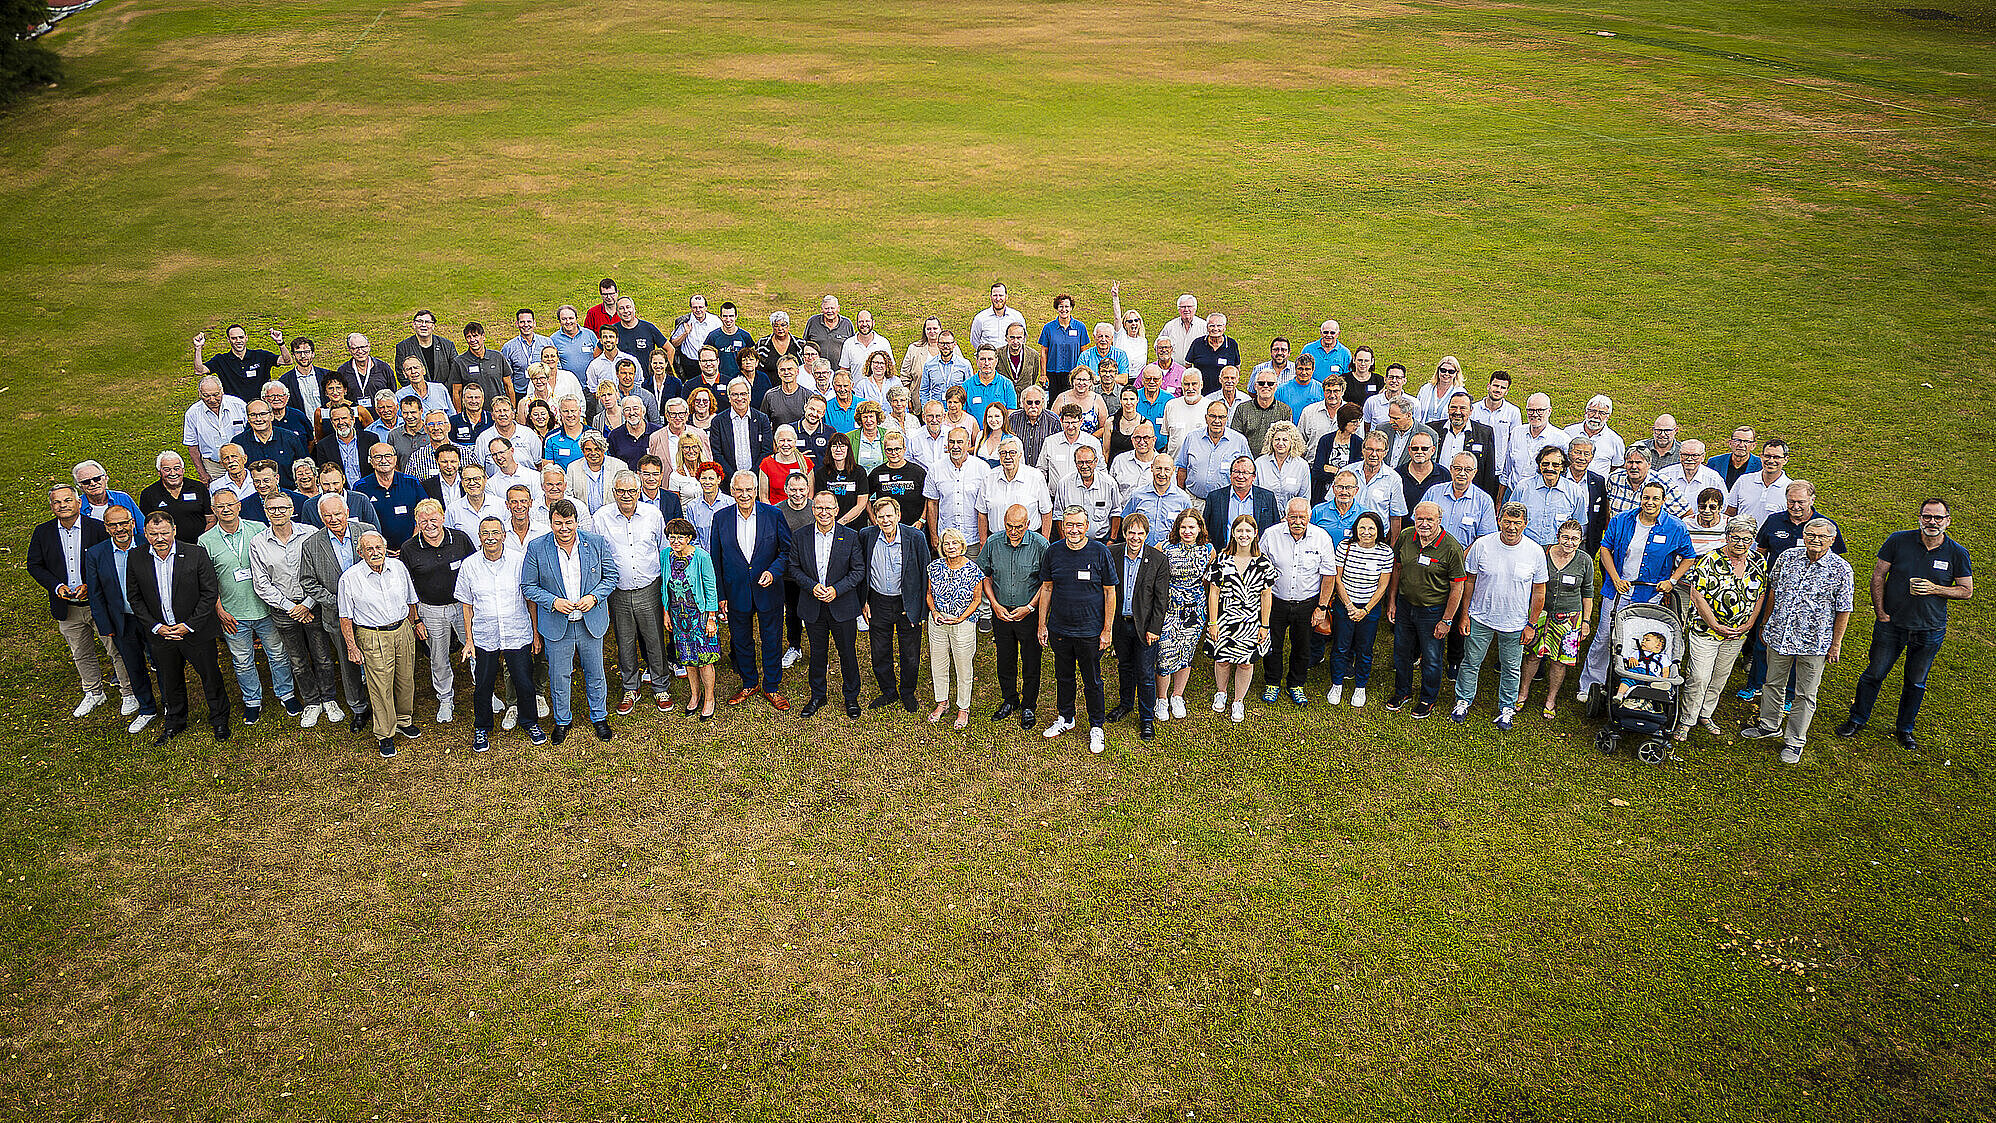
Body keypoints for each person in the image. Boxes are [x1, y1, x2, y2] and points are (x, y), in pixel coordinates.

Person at [1836, 499, 1974, 753]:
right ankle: (1857, 719)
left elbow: (1966, 591)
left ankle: (1905, 729)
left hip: (1930, 629)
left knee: (1915, 682)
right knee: (1874, 674)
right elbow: (1878, 574)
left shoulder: (1957, 553)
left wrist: (1935, 589)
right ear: (1920, 518)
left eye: (1938, 518)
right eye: (1927, 516)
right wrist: (1880, 612)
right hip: (1892, 625)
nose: (1932, 522)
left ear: (1947, 521)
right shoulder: (1898, 540)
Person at [1737, 519, 1852, 762]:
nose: (1815, 540)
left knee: (1805, 693)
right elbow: (1773, 591)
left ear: (1832, 540)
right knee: (1772, 683)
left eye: (1822, 536)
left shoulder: (1841, 570)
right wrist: (1766, 622)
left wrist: (1836, 643)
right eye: (1811, 534)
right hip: (1780, 635)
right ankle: (1769, 725)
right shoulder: (1788, 557)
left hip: (1815, 643)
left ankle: (1794, 740)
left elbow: (1844, 609)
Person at [1579, 481, 1697, 701]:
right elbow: (1605, 549)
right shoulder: (1621, 520)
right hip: (1617, 592)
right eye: (1646, 497)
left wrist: (1672, 580)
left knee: (1642, 642)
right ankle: (1590, 685)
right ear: (1640, 498)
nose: (1649, 502)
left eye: (1655, 498)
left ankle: (1638, 686)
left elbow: (1689, 556)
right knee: (1604, 637)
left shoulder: (1675, 527)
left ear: (1663, 501)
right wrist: (1615, 578)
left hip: (1650, 595)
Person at [520, 500, 618, 742]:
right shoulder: (537, 547)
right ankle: (562, 720)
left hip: (589, 621)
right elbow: (528, 586)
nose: (564, 528)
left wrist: (594, 597)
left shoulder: (595, 543)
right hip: (557, 624)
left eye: (568, 522)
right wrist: (553, 602)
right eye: (558, 523)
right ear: (550, 522)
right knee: (559, 675)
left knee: (595, 672)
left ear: (576, 521)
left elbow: (611, 576)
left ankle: (599, 717)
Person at [129, 512, 227, 744]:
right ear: (145, 534)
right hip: (161, 635)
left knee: (211, 677)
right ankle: (175, 722)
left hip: (196, 632)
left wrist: (189, 625)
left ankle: (220, 720)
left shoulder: (196, 553)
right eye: (154, 534)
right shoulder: (136, 557)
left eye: (164, 532)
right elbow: (134, 598)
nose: (160, 538)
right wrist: (156, 627)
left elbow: (209, 593)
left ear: (174, 530)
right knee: (169, 680)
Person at [1449, 504, 1548, 730]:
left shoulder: (1535, 551)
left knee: (1511, 667)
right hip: (1480, 617)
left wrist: (1532, 624)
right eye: (1507, 521)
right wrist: (1464, 615)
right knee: (1471, 662)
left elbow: (1539, 591)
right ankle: (1462, 701)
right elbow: (1470, 582)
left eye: (1517, 523)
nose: (1511, 527)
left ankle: (1507, 708)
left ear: (1525, 524)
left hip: (1515, 623)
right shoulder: (1482, 545)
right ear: (1499, 519)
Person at [201, 488, 296, 724]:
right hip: (233, 613)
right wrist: (219, 610)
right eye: (220, 506)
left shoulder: (258, 530)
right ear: (213, 510)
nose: (226, 509)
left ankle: (287, 694)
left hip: (264, 608)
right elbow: (206, 581)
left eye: (230, 504)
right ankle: (252, 701)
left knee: (277, 654)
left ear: (239, 506)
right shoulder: (205, 541)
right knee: (242, 660)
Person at [456, 516, 545, 751]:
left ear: (504, 535)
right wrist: (469, 640)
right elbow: (466, 605)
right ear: (479, 537)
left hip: (517, 631)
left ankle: (530, 722)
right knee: (483, 684)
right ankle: (482, 727)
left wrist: (535, 634)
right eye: (485, 533)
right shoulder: (470, 565)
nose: (491, 537)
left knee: (524, 682)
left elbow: (530, 600)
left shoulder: (519, 561)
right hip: (485, 635)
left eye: (495, 532)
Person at [246, 492, 334, 729]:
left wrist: (306, 604)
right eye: (272, 509)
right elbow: (261, 583)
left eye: (282, 508)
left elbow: (321, 572)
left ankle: (329, 698)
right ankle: (312, 701)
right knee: (297, 660)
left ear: (291, 508)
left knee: (323, 656)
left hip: (312, 605)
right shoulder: (258, 543)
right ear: (266, 512)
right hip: (283, 610)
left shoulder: (310, 534)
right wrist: (290, 607)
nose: (277, 512)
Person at [27, 482, 114, 718]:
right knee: (80, 652)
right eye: (57, 502)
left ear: (78, 502)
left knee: (114, 649)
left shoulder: (97, 528)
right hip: (66, 606)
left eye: (67, 500)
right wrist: (57, 587)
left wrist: (92, 586)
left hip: (98, 603)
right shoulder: (42, 532)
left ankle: (129, 692)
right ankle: (94, 692)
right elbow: (34, 565)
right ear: (52, 506)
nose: (62, 505)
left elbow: (109, 563)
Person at [1035, 507, 1115, 754]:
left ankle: (1096, 726)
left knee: (1092, 680)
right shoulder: (1054, 552)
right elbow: (1046, 588)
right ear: (1063, 526)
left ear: (1087, 525)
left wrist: (1107, 630)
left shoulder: (1100, 552)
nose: (1074, 530)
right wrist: (1042, 623)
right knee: (1064, 676)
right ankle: (1066, 717)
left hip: (1090, 631)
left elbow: (1109, 592)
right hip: (1060, 628)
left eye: (1079, 525)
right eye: (1069, 524)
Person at [712, 471, 791, 710]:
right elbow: (716, 558)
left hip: (768, 590)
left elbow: (786, 552)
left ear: (756, 490)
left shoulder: (774, 515)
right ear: (732, 491)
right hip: (736, 591)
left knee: (771, 639)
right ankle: (749, 682)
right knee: (741, 640)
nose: (744, 495)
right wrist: (721, 595)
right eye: (739, 490)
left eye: (749, 490)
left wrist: (773, 571)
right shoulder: (721, 517)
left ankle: (771, 686)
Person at [338, 531, 420, 756]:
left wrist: (412, 626)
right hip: (372, 635)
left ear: (385, 548)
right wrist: (352, 646)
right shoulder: (350, 578)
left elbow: (411, 600)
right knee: (380, 685)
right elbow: (345, 617)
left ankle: (404, 720)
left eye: (378, 547)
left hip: (402, 628)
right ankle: (385, 733)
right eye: (369, 549)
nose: (375, 553)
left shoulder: (398, 568)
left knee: (406, 678)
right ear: (360, 552)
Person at [1386, 501, 1468, 719]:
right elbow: (1397, 568)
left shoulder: (1451, 547)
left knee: (1431, 657)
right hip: (1405, 606)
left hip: (1433, 611)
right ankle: (1402, 692)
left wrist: (1447, 620)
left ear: (1439, 520)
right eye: (1419, 518)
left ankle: (1427, 698)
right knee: (1401, 652)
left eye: (1429, 519)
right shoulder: (1406, 536)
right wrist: (1392, 601)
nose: (1424, 524)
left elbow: (1457, 585)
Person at [790, 491, 867, 719]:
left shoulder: (851, 536)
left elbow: (858, 570)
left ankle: (851, 697)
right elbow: (793, 568)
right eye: (819, 508)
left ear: (836, 510)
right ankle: (817, 695)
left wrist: (837, 590)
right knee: (817, 653)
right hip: (813, 606)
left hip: (841, 605)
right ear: (813, 510)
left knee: (847, 653)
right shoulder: (801, 536)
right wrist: (811, 586)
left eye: (828, 508)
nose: (824, 512)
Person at [396, 499, 473, 723]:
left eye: (433, 519)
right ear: (417, 522)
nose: (429, 525)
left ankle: (485, 691)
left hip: (462, 606)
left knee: (475, 647)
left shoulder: (459, 539)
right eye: (423, 521)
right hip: (430, 610)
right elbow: (407, 587)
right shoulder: (409, 548)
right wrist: (416, 619)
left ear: (442, 518)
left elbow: (474, 569)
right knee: (438, 657)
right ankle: (445, 698)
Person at [298, 495, 372, 729]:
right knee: (348, 661)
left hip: (372, 612)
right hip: (336, 614)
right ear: (321, 517)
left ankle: (382, 702)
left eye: (337, 513)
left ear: (347, 511)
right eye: (327, 515)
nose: (333, 519)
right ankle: (358, 707)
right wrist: (334, 601)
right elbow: (307, 580)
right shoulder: (312, 544)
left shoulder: (366, 531)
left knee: (377, 660)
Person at [83, 503, 158, 731]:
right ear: (106, 528)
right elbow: (95, 594)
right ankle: (147, 708)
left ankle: (171, 706)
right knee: (134, 666)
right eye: (113, 525)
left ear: (132, 523)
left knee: (162, 664)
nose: (120, 529)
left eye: (124, 523)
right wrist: (105, 625)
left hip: (152, 619)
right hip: (122, 620)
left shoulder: (149, 545)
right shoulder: (97, 554)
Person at [1257, 499, 1337, 706]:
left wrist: (1321, 607)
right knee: (1272, 643)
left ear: (1309, 517)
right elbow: (1259, 568)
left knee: (1302, 646)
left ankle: (1296, 684)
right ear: (1286, 516)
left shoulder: (1322, 538)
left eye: (1302, 517)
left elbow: (1329, 575)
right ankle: (1272, 682)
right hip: (1276, 600)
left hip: (1307, 603)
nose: (1298, 521)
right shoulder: (1271, 535)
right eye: (1293, 516)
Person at [978, 504, 1050, 730]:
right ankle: (1009, 699)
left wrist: (1029, 607)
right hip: (1001, 612)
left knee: (1031, 661)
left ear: (1028, 525)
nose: (1014, 531)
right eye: (1009, 526)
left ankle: (1029, 705)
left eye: (1019, 527)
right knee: (1004, 659)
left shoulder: (1040, 545)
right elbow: (984, 575)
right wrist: (994, 604)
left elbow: (1047, 583)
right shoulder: (993, 542)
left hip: (1028, 613)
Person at [1517, 519, 1594, 719]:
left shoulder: (1585, 560)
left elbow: (1588, 592)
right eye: (1566, 537)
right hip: (1540, 614)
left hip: (1570, 617)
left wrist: (1586, 622)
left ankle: (1551, 699)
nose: (1570, 542)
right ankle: (1522, 693)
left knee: (1560, 661)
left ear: (1581, 540)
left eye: (1575, 539)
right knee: (1533, 655)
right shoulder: (1542, 553)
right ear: (1557, 536)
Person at [861, 494, 931, 712]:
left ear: (898, 516)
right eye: (880, 516)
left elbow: (924, 573)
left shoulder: (915, 537)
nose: (885, 520)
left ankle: (907, 692)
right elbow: (861, 570)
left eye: (889, 515)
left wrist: (920, 609)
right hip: (878, 602)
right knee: (879, 651)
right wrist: (863, 601)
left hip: (906, 603)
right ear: (876, 519)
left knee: (910, 653)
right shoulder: (866, 535)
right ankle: (888, 691)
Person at [1205, 514, 1276, 723]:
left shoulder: (1264, 564)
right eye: (1239, 531)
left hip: (1251, 622)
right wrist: (1213, 622)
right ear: (1233, 533)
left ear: (1255, 534)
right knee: (1222, 660)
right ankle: (1221, 692)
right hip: (1225, 619)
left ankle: (1238, 701)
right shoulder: (1222, 560)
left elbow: (1266, 596)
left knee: (1245, 663)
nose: (1243, 535)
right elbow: (1213, 593)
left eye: (1248, 531)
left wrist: (1264, 625)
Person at [1326, 510, 1392, 708]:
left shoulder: (1385, 552)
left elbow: (1383, 585)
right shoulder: (1345, 547)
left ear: (1378, 530)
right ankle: (1337, 684)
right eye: (1362, 527)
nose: (1366, 532)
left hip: (1369, 611)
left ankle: (1360, 687)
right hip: (1344, 606)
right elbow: (1337, 578)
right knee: (1340, 647)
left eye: (1371, 528)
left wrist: (1365, 610)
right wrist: (1349, 605)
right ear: (1356, 529)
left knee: (1365, 650)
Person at [1152, 508, 1213, 723]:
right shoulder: (1164, 547)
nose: (1187, 531)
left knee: (1186, 654)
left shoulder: (1208, 550)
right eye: (1183, 527)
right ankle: (1161, 699)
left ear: (1199, 529)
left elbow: (1208, 582)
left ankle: (1177, 696)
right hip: (1169, 608)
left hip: (1194, 611)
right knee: (1164, 653)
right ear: (1177, 528)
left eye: (1192, 527)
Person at [660, 517, 722, 719]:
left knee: (704, 659)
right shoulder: (665, 555)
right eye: (671, 537)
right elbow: (664, 586)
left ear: (689, 538)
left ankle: (709, 698)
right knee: (688, 659)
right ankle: (694, 695)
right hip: (679, 617)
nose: (675, 541)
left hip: (700, 616)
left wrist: (711, 617)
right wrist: (666, 612)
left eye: (679, 537)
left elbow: (711, 588)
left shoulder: (701, 557)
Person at [924, 528, 986, 728]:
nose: (951, 547)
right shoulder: (933, 568)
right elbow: (929, 594)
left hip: (963, 623)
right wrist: (934, 612)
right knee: (938, 664)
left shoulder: (974, 570)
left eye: (954, 543)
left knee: (963, 666)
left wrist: (961, 617)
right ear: (942, 547)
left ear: (962, 546)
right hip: (938, 622)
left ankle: (963, 707)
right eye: (946, 543)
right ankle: (942, 702)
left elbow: (977, 599)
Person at [710, 377, 775, 482]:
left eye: (743, 394)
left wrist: (751, 475)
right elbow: (717, 454)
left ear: (749, 396)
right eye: (735, 394)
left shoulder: (762, 419)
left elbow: (767, 451)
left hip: (757, 480)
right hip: (728, 481)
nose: (739, 398)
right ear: (729, 397)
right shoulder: (718, 421)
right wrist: (734, 477)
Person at [1057, 444, 1122, 544]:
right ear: (1075, 463)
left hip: (1102, 540)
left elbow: (1116, 512)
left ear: (1096, 462)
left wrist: (1112, 540)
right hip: (1072, 541)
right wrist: (1064, 541)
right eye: (1080, 462)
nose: (1084, 466)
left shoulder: (1109, 483)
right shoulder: (1064, 484)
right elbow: (1058, 515)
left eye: (1088, 462)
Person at [1204, 455, 1280, 537]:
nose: (1240, 476)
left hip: (1257, 549)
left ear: (1253, 477)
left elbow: (1275, 529)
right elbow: (1205, 529)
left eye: (1245, 473)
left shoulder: (1268, 498)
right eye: (1236, 472)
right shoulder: (1215, 498)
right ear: (1230, 475)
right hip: (1223, 549)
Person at [1038, 292, 1089, 396]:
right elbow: (1044, 352)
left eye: (1067, 306)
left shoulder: (1080, 327)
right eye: (1061, 306)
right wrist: (1043, 374)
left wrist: (1083, 373)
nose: (1064, 309)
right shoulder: (1048, 328)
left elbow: (1084, 351)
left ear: (1071, 308)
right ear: (1057, 308)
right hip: (1053, 373)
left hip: (1073, 374)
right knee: (1054, 403)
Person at [1562, 394, 1625, 475]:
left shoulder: (1615, 440)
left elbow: (1617, 466)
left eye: (1602, 413)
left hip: (1598, 486)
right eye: (1592, 411)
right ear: (1586, 412)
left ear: (1608, 417)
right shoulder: (1568, 432)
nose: (1596, 416)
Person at [1255, 423, 1310, 509]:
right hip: (1265, 516)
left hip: (1291, 518)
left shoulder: (1302, 465)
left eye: (1285, 440)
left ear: (1292, 442)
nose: (1280, 443)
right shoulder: (1259, 463)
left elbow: (1304, 498)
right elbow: (1255, 494)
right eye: (1277, 439)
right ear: (1271, 441)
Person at [970, 282, 1026, 355]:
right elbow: (974, 340)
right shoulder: (980, 318)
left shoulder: (1017, 317)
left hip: (1009, 360)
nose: (998, 298)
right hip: (989, 361)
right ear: (991, 297)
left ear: (1006, 296)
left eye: (1001, 295)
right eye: (995, 295)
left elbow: (1023, 338)